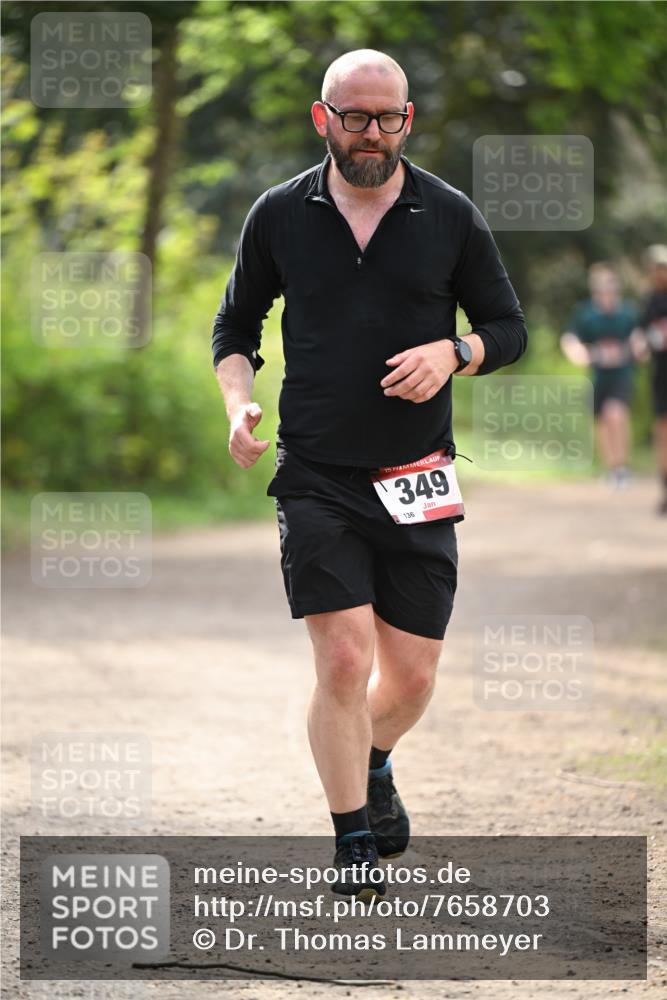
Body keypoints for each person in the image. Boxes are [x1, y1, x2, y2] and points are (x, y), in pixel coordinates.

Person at [212, 49, 527, 899]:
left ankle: (374, 760)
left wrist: (454, 351)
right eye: (355, 117)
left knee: (413, 676)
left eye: (388, 118)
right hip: (315, 472)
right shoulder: (279, 214)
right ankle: (352, 840)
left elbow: (507, 326)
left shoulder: (448, 215)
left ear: (408, 120)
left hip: (417, 474)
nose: (373, 134)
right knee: (344, 662)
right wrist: (238, 402)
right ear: (323, 119)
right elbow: (234, 327)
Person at [560, 263, 638, 488]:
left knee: (616, 414)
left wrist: (635, 347)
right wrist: (578, 352)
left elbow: (638, 337)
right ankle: (611, 467)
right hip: (597, 377)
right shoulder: (586, 314)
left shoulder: (627, 313)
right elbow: (571, 338)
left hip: (622, 375)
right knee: (602, 421)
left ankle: (622, 467)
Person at [635, 245, 667, 514]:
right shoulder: (650, 302)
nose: (660, 273)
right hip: (661, 374)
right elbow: (641, 334)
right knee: (663, 429)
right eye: (656, 269)